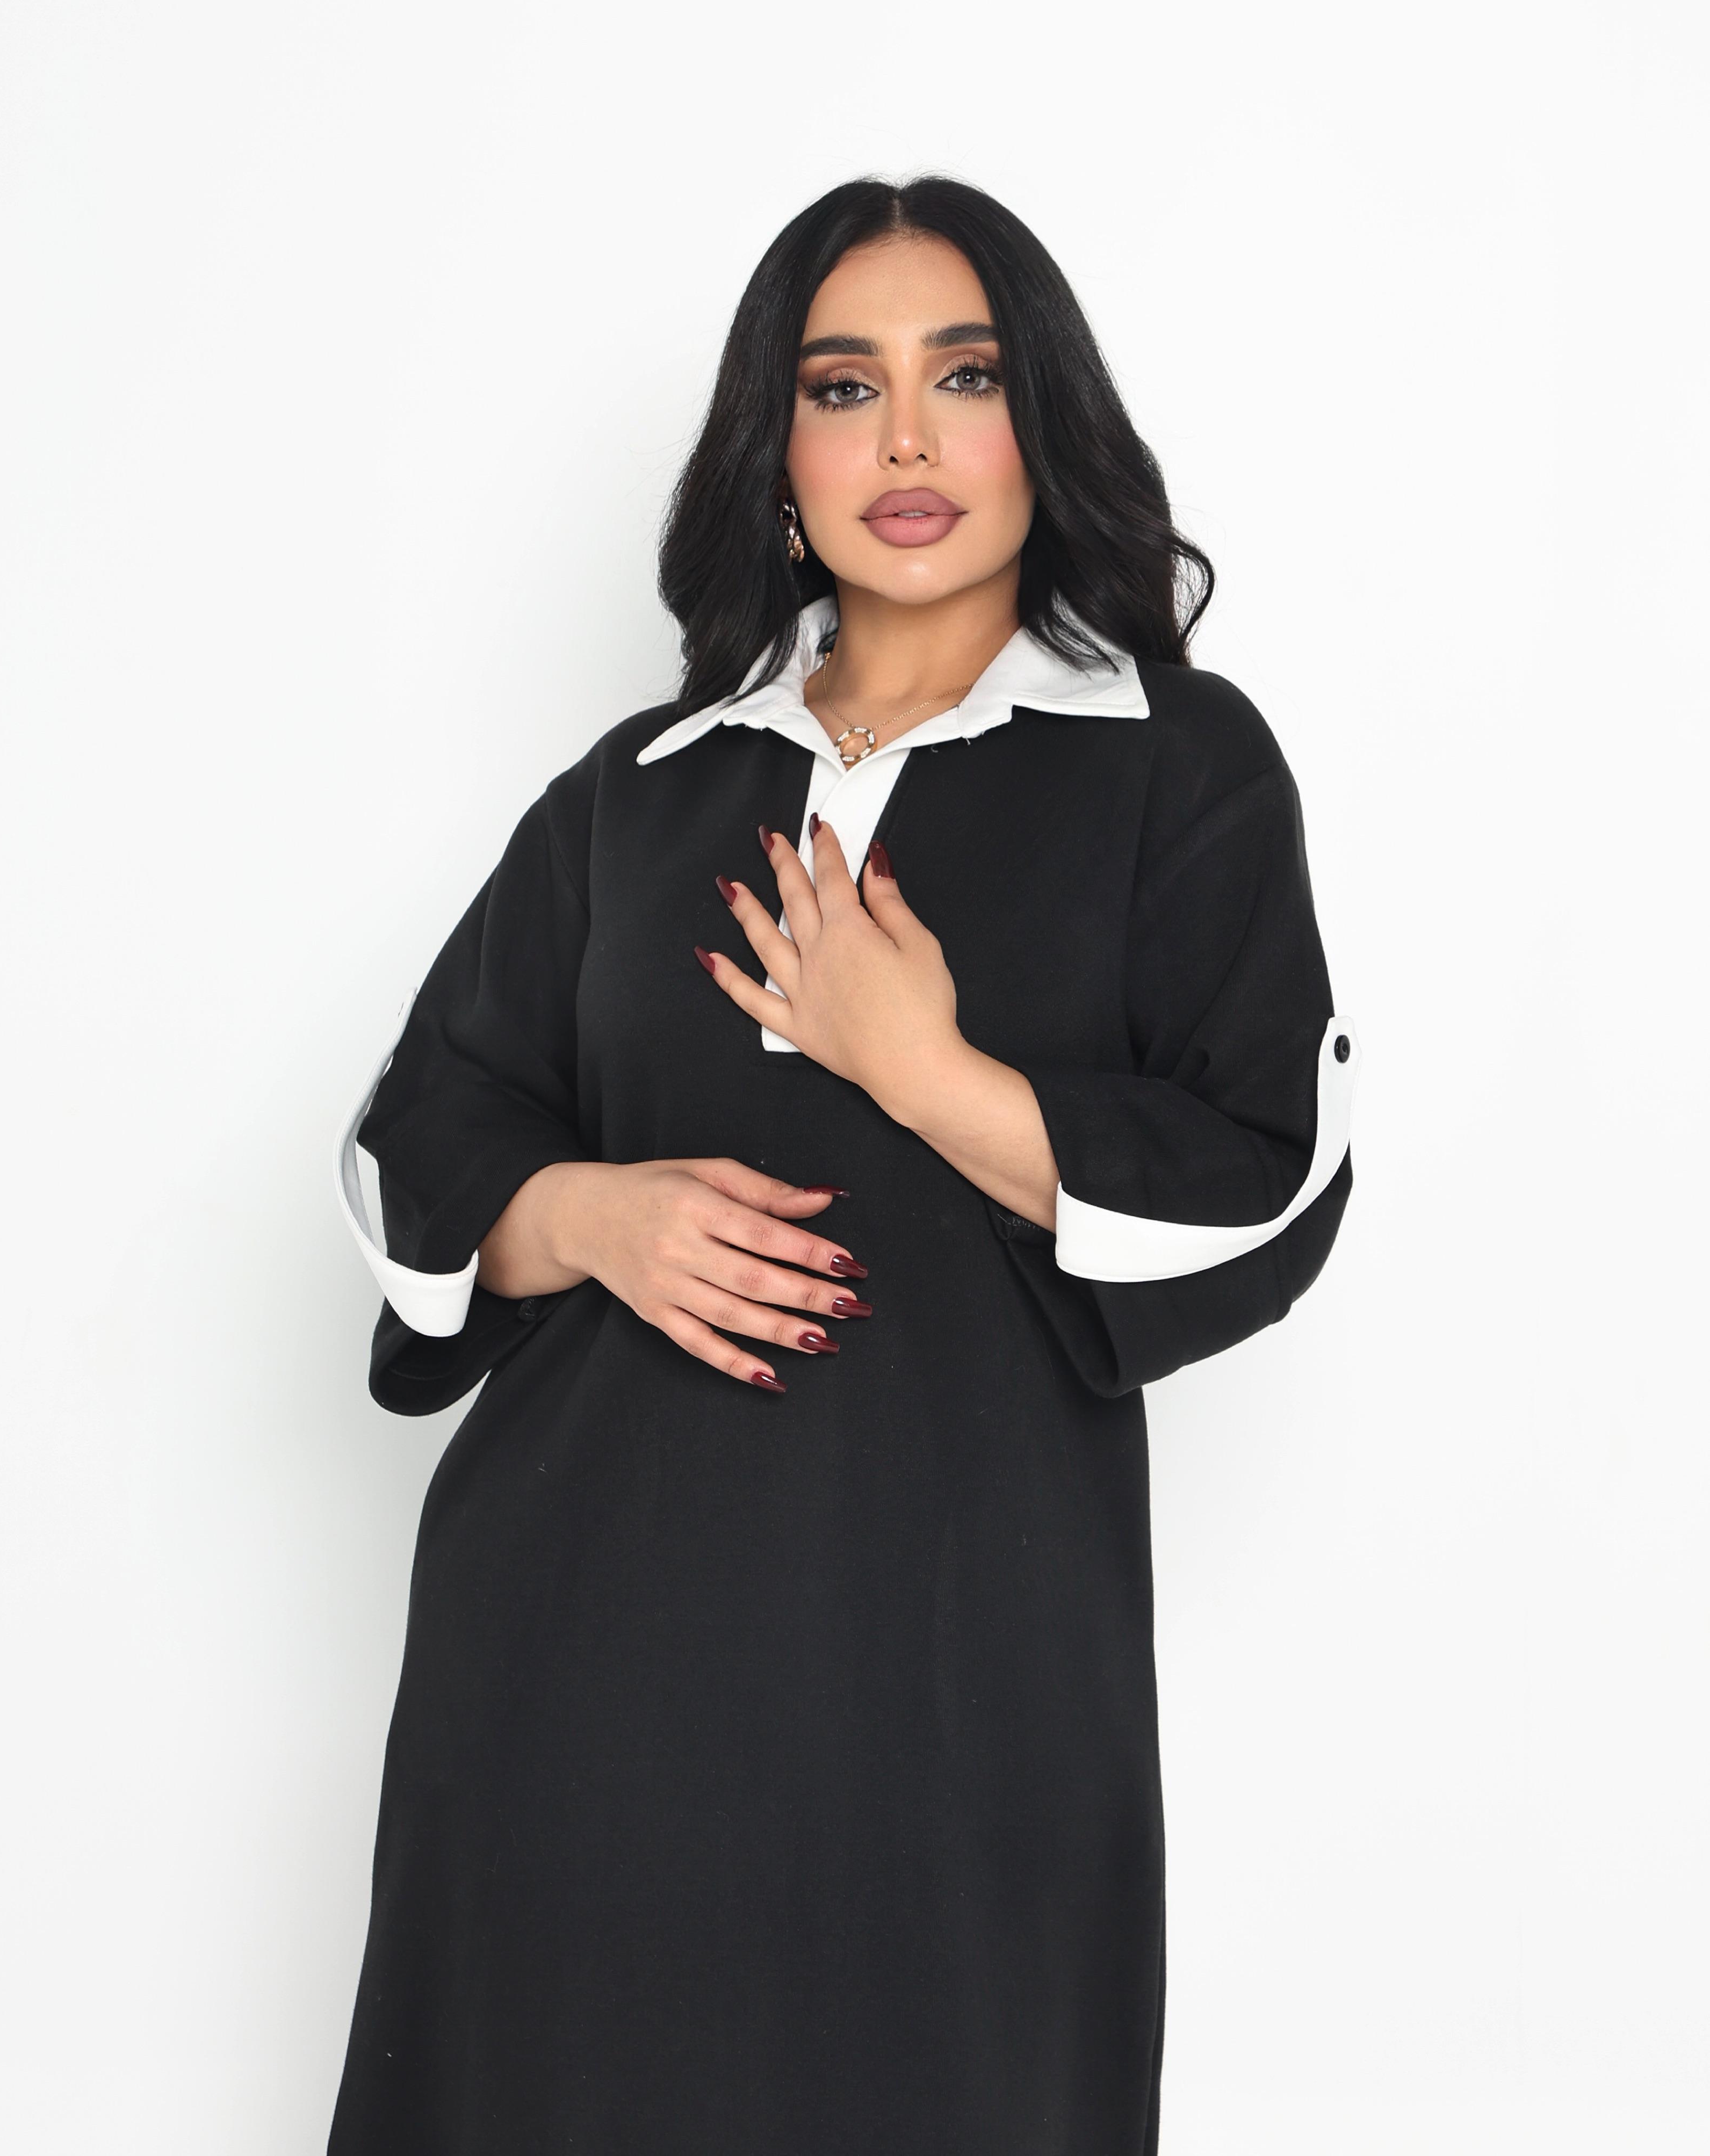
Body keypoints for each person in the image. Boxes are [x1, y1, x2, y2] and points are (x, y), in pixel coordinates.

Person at [327, 173, 1357, 2156]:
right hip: (574, 1663)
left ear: (1040, 422)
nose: (903, 441)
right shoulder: (636, 794)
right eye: (840, 386)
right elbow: (414, 1135)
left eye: (962, 376)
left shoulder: (1173, 760)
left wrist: (930, 1074)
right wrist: (581, 1215)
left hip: (959, 1679)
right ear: (776, 453)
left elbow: (1273, 1174)